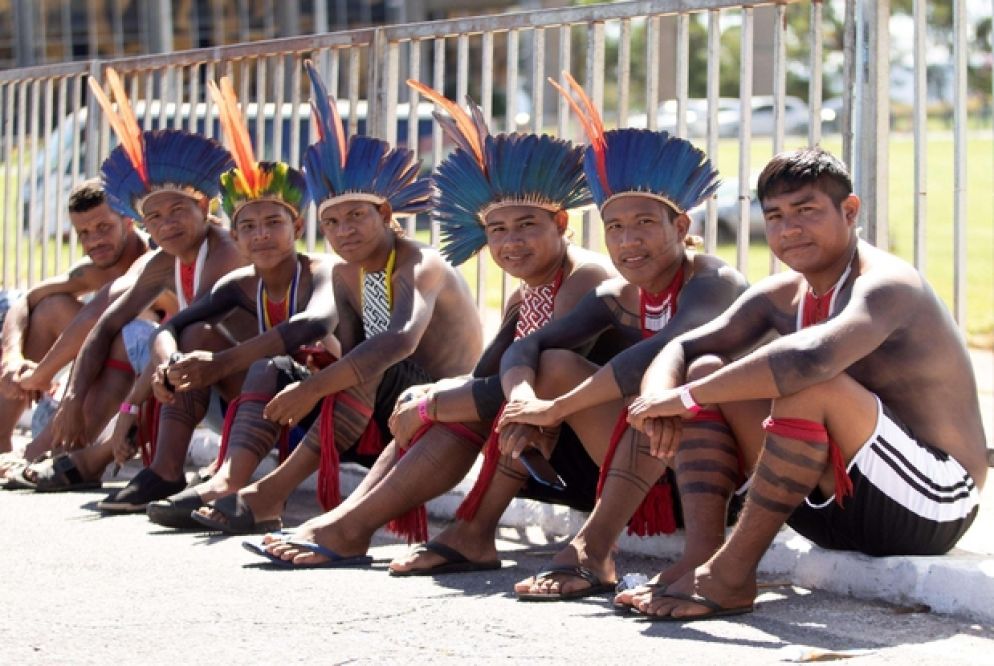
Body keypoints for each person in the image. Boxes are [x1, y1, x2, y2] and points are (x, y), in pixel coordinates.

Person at [391, 74, 747, 596]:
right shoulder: (619, 295)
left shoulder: (713, 280)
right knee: (549, 369)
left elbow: (666, 349)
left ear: (681, 224)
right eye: (615, 226)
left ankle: (593, 549)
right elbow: (525, 350)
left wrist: (554, 410)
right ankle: (471, 531)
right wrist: (526, 401)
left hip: (715, 475)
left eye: (645, 222)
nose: (628, 241)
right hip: (639, 459)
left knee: (684, 378)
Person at [243, 80, 619, 569]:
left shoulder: (582, 273)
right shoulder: (519, 292)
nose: (511, 243)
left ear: (561, 224)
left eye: (527, 224)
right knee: (441, 400)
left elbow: (523, 378)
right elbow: (487, 375)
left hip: (608, 456)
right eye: (497, 230)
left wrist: (429, 404)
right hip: (534, 443)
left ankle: (361, 523)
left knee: (470, 397)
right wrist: (427, 404)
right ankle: (351, 521)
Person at [621, 147, 986, 621]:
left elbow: (812, 359)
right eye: (774, 216)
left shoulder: (888, 284)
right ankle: (702, 558)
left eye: (806, 211)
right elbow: (682, 346)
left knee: (810, 383)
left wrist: (683, 398)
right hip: (833, 505)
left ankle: (729, 576)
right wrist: (660, 399)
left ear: (849, 210)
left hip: (934, 505)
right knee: (707, 370)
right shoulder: (782, 293)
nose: (788, 229)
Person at [194, 62, 483, 563]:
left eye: (357, 216)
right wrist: (307, 374)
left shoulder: (420, 262)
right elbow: (347, 350)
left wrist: (312, 389)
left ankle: (273, 494)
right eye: (332, 221)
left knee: (363, 366)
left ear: (386, 216)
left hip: (441, 404)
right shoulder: (348, 273)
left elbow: (399, 342)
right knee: (295, 366)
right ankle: (248, 487)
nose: (344, 230)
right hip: (381, 414)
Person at [140, 77, 341, 527]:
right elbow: (167, 328)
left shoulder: (322, 270)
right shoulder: (238, 282)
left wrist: (221, 363)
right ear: (235, 235)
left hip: (324, 406)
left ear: (298, 227)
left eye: (274, 222)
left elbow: (313, 324)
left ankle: (228, 484)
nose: (262, 234)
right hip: (267, 403)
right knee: (192, 342)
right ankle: (166, 472)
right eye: (248, 227)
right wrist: (167, 365)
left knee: (261, 365)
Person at [43, 68, 244, 507]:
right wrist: (72, 398)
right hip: (203, 386)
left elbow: (193, 328)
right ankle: (83, 452)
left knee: (185, 340)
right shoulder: (162, 258)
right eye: (155, 217)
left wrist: (131, 408)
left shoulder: (224, 249)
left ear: (204, 206)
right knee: (139, 336)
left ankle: (160, 471)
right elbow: (103, 323)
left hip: (259, 389)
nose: (166, 224)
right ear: (143, 222)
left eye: (178, 211)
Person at [0, 178, 156, 474]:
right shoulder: (96, 269)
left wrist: (40, 375)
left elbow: (97, 318)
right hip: (87, 396)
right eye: (83, 233)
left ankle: (42, 452)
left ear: (128, 221)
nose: (93, 241)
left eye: (103, 228)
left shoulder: (152, 260)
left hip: (156, 394)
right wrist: (12, 358)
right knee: (49, 308)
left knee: (115, 329)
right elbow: (25, 301)